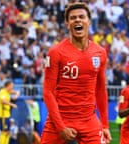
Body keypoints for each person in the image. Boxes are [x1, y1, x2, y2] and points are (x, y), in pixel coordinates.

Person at [40, 2, 111, 144]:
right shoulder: (56, 53)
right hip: (61, 118)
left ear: (89, 22)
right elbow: (48, 92)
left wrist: (104, 125)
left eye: (81, 17)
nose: (77, 20)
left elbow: (101, 90)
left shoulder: (100, 53)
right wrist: (60, 127)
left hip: (88, 120)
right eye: (73, 18)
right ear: (67, 24)